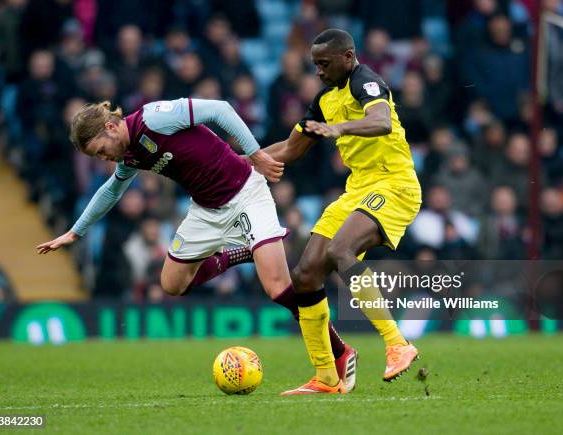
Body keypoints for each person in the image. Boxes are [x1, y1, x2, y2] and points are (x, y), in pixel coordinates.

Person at [36, 97, 359, 390]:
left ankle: (339, 352)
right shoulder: (130, 154)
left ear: (110, 126)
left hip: (245, 194)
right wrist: (76, 232)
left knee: (278, 288)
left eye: (100, 150)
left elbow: (220, 109)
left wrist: (257, 155)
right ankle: (242, 252)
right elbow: (112, 190)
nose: (104, 158)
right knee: (172, 284)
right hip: (205, 211)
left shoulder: (154, 118)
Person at [264, 29, 422, 394]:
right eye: (314, 65)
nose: (318, 72)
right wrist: (242, 160)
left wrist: (338, 129)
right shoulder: (322, 100)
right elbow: (290, 148)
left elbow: (381, 121)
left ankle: (398, 344)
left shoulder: (366, 81)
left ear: (347, 58)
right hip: (358, 188)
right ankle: (327, 377)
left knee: (339, 251)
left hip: (394, 184)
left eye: (324, 63)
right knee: (304, 275)